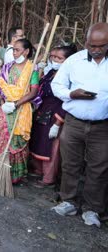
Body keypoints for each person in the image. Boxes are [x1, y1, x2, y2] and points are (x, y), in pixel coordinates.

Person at [51, 23, 108, 228]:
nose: (96, 49)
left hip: (103, 126)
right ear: (86, 42)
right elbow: (56, 85)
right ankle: (69, 201)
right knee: (70, 163)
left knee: (98, 167)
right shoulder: (74, 61)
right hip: (74, 122)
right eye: (92, 45)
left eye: (101, 46)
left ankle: (92, 209)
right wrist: (71, 94)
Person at [0, 39, 39, 184]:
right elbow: (1, 87)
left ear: (26, 51)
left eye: (17, 50)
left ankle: (13, 176)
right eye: (13, 50)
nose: (14, 53)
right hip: (5, 108)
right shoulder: (7, 67)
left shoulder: (32, 69)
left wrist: (15, 104)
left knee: (16, 141)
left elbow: (33, 92)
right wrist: (4, 103)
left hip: (21, 109)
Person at [29, 45, 77, 188]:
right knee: (39, 141)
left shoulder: (70, 78)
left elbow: (68, 100)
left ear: (68, 60)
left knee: (52, 146)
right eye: (53, 57)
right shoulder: (51, 73)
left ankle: (49, 178)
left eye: (59, 58)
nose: (54, 60)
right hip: (43, 111)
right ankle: (39, 170)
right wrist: (39, 70)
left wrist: (58, 122)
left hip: (57, 113)